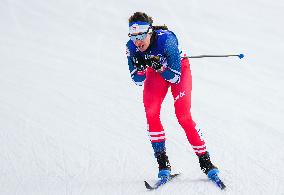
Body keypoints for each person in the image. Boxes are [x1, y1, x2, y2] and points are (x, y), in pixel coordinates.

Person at [126, 12, 219, 181]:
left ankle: (206, 162)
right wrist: (141, 68)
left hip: (178, 70)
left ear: (149, 32)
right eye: (133, 36)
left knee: (183, 116)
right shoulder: (131, 47)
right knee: (151, 113)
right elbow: (137, 80)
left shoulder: (166, 40)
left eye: (140, 36)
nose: (137, 41)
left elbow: (175, 77)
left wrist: (160, 66)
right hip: (156, 73)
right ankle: (163, 165)